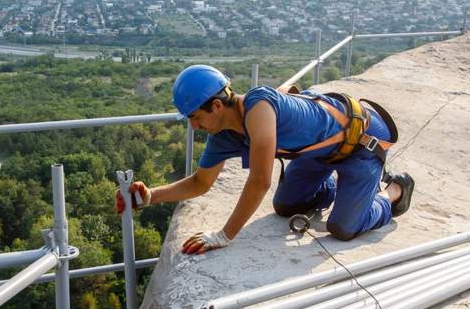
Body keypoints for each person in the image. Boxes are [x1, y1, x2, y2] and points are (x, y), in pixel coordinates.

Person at [116, 65, 414, 253]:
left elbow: (260, 181)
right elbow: (200, 182)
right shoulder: (223, 136)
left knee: (344, 228)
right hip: (316, 154)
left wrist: (224, 235)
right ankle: (340, 190)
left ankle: (393, 192)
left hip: (359, 145)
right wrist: (150, 196)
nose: (194, 127)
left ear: (217, 105)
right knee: (286, 206)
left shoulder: (259, 107)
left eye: (195, 118)